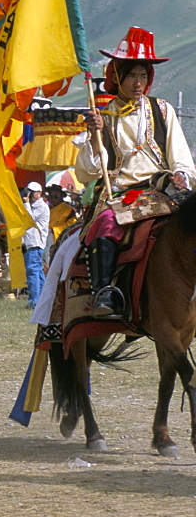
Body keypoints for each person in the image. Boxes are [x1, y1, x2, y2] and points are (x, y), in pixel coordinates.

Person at [75, 26, 196, 316]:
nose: (138, 82)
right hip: (122, 193)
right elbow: (87, 172)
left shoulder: (163, 110)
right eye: (132, 75)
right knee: (105, 223)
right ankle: (104, 293)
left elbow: (179, 154)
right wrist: (94, 136)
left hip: (162, 190)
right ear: (117, 76)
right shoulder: (102, 117)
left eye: (143, 75)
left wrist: (181, 174)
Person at [22, 181, 49, 309]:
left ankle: (34, 301)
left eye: (33, 192)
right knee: (37, 271)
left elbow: (30, 221)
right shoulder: (31, 205)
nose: (31, 195)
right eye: (29, 192)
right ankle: (44, 299)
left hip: (35, 241)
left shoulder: (42, 207)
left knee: (32, 271)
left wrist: (26, 204)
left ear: (40, 193)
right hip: (31, 242)